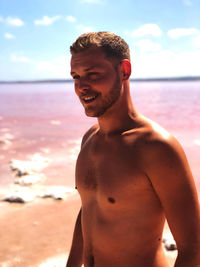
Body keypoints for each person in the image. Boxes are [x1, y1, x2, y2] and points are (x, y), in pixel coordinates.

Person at [66, 32, 200, 267]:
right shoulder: (89, 139)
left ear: (124, 71)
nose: (81, 87)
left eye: (92, 74)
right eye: (76, 77)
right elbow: (89, 208)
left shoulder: (156, 147)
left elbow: (194, 247)